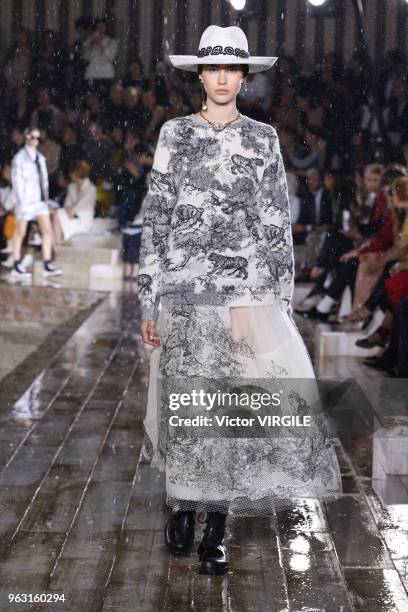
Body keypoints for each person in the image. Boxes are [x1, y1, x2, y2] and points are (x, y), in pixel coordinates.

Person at [137, 25, 342, 576]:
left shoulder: (263, 139)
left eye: (233, 69)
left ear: (244, 76)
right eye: (213, 68)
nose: (223, 78)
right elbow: (156, 218)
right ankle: (182, 502)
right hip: (181, 290)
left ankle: (216, 529)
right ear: (200, 74)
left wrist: (277, 300)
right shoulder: (175, 135)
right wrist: (148, 301)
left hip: (242, 295)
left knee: (228, 408)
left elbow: (276, 222)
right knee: (185, 404)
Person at [10, 127, 61, 279]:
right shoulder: (19, 158)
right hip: (25, 201)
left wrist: (45, 200)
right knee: (20, 232)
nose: (35, 141)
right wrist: (22, 200)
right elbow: (17, 181)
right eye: (33, 137)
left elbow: (44, 181)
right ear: (27, 137)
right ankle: (16, 263)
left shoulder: (40, 158)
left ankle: (47, 264)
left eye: (38, 138)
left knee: (47, 231)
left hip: (39, 201)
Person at [52, 160, 96, 244]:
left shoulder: (91, 188)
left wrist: (72, 210)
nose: (70, 175)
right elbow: (67, 203)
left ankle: (58, 242)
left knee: (58, 215)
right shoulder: (72, 186)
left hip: (83, 218)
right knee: (55, 214)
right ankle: (57, 242)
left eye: (72, 172)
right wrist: (69, 209)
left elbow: (82, 204)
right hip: (70, 213)